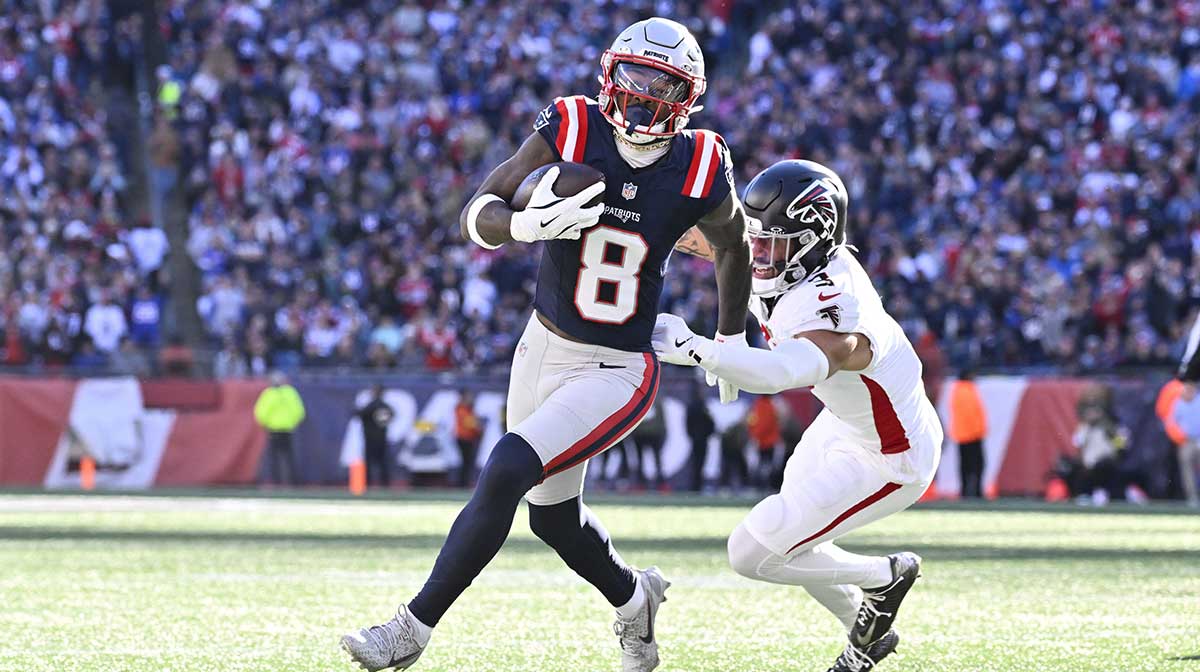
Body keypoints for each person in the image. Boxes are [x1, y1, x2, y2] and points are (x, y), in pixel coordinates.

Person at [341, 18, 751, 672]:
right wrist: (528, 222)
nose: (639, 91)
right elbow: (481, 209)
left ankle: (410, 631)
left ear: (686, 95)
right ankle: (633, 598)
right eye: (631, 74)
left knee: (507, 467)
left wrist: (733, 336)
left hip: (618, 365)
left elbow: (733, 244)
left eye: (659, 81)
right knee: (553, 520)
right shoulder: (572, 123)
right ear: (609, 72)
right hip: (541, 343)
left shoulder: (701, 161)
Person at [653, 160, 942, 672]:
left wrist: (701, 349)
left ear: (811, 240)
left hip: (892, 455)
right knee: (798, 541)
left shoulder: (836, 309)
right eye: (756, 237)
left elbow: (783, 372)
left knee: (753, 551)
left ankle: (885, 575)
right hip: (844, 422)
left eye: (773, 242)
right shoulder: (794, 261)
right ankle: (867, 633)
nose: (757, 252)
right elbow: (717, 241)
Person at [253, 371, 306, 486]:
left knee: (274, 456)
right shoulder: (290, 393)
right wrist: (292, 422)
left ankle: (275, 481)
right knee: (288, 456)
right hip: (287, 429)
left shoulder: (269, 393)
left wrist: (266, 423)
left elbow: (261, 412)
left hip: (274, 428)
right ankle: (290, 481)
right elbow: (299, 411)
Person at [948, 369, 987, 498]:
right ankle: (976, 492)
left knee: (965, 466)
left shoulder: (957, 390)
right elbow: (972, 414)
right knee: (977, 465)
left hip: (962, 435)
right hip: (972, 435)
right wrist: (979, 431)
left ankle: (965, 492)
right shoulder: (967, 390)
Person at [356, 384, 396, 488]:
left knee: (371, 463)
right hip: (381, 439)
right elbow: (391, 416)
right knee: (382, 463)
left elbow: (359, 414)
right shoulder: (384, 406)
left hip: (370, 439)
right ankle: (385, 485)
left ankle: (368, 484)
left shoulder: (371, 405)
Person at [1172, 384, 1200, 508]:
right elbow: (1172, 423)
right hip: (1186, 441)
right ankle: (1192, 498)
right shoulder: (1178, 403)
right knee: (1186, 470)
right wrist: (1179, 437)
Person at [685, 380, 716, 492]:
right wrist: (709, 432)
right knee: (699, 463)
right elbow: (710, 423)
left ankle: (695, 486)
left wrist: (692, 434)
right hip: (701, 439)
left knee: (696, 463)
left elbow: (687, 423)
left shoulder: (692, 406)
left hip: (697, 438)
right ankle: (696, 486)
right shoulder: (702, 406)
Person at [746, 395, 782, 490]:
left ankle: (761, 485)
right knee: (766, 465)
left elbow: (760, 424)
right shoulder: (769, 405)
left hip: (763, 442)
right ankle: (765, 485)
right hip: (768, 441)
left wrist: (754, 435)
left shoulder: (760, 405)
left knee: (762, 465)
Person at [453, 390, 482, 487]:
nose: (471, 399)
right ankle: (462, 483)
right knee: (466, 462)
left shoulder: (467, 409)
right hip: (464, 438)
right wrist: (478, 427)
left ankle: (463, 482)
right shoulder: (461, 409)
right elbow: (470, 424)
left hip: (469, 438)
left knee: (467, 463)